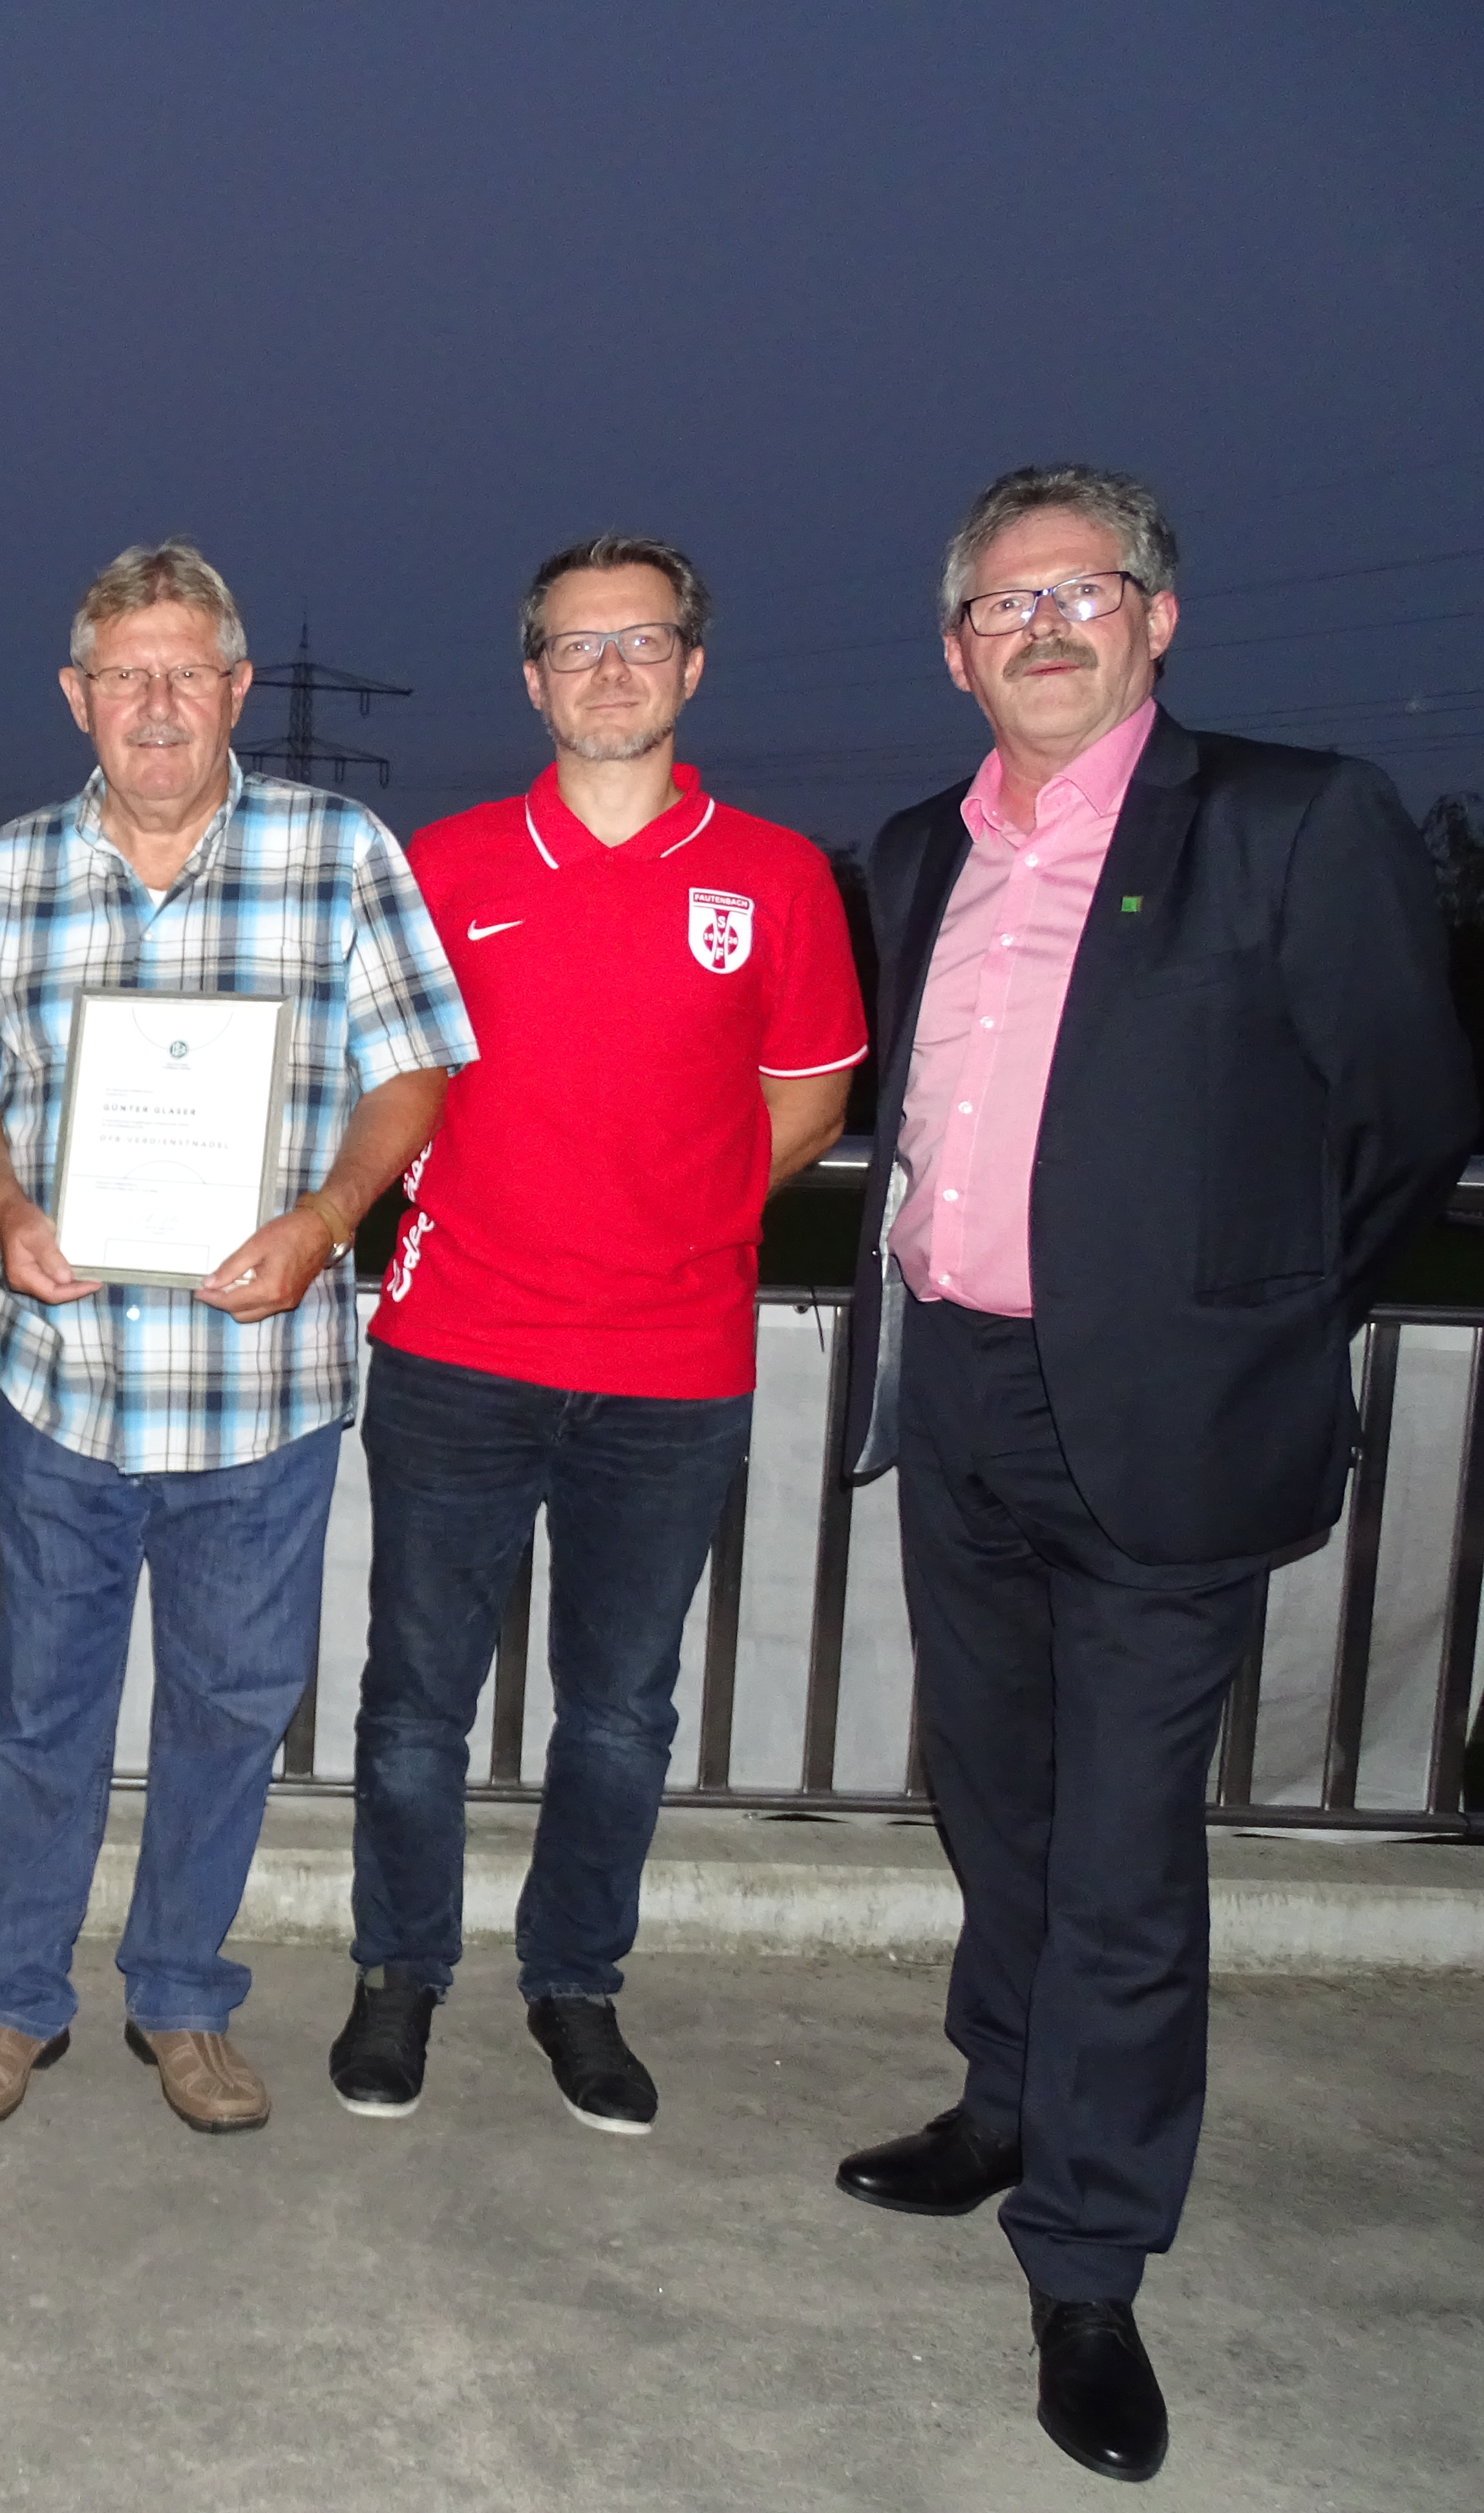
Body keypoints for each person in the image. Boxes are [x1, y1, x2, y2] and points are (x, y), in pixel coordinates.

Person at [832, 465, 1472, 2483]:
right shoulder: (917, 850)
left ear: (1158, 619)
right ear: (957, 651)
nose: (1042, 630)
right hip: (961, 1397)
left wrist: (1242, 1315)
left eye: (1081, 593)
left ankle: (1092, 2259)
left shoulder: (1291, 819)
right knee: (998, 1796)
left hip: (1168, 1427)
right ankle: (1006, 2101)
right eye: (1002, 607)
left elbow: (1406, 1116)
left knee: (1121, 1850)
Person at [0, 540, 475, 2137]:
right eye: (124, 675)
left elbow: (414, 1070)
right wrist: (4, 1203)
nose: (155, 704)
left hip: (259, 1392)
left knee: (230, 1712)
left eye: (186, 673)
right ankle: (12, 2000)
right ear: (75, 695)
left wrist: (328, 1220)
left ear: (238, 690)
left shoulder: (338, 850)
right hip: (68, 1384)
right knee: (40, 1717)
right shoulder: (12, 872)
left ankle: (180, 1996)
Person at [339, 535, 865, 2134]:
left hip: (671, 1367)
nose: (612, 670)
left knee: (623, 1713)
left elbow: (811, 1095)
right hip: (457, 1349)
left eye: (643, 641)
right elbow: (381, 1079)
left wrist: (678, 1212)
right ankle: (400, 1972)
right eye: (577, 646)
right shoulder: (447, 865)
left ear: (692, 665)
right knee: (415, 1701)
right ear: (533, 679)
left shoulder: (777, 877)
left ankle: (575, 1983)